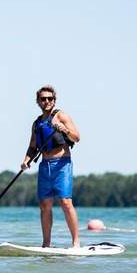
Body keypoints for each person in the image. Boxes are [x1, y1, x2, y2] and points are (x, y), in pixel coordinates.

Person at [21, 85, 82, 248]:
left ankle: (76, 242)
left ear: (54, 100)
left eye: (50, 98)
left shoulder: (62, 116)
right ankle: (46, 244)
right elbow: (33, 147)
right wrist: (26, 160)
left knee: (65, 202)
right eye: (43, 99)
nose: (46, 101)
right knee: (44, 205)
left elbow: (77, 137)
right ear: (38, 101)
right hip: (44, 166)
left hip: (62, 165)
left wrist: (64, 130)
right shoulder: (37, 123)